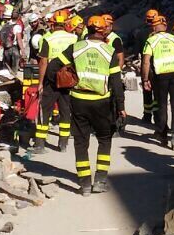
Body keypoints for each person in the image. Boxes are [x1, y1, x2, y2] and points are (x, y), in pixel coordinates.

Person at [48, 20, 118, 195]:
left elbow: (52, 67)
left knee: (80, 142)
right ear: (103, 32)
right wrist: (121, 106)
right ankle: (100, 180)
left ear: (88, 29)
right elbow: (116, 82)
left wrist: (62, 84)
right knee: (104, 139)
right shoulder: (110, 51)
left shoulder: (77, 47)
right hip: (102, 102)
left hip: (79, 101)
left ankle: (85, 184)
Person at [142, 8, 174, 148]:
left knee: (161, 105)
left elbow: (146, 62)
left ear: (154, 27)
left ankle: (162, 135)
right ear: (166, 26)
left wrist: (145, 80)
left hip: (160, 77)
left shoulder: (151, 40)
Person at [36, 11, 81, 151]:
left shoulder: (47, 39)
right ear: (65, 23)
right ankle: (63, 144)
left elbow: (43, 61)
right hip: (69, 79)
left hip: (52, 78)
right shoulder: (74, 38)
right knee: (65, 110)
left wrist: (40, 83)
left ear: (53, 24)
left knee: (45, 110)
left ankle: (40, 144)